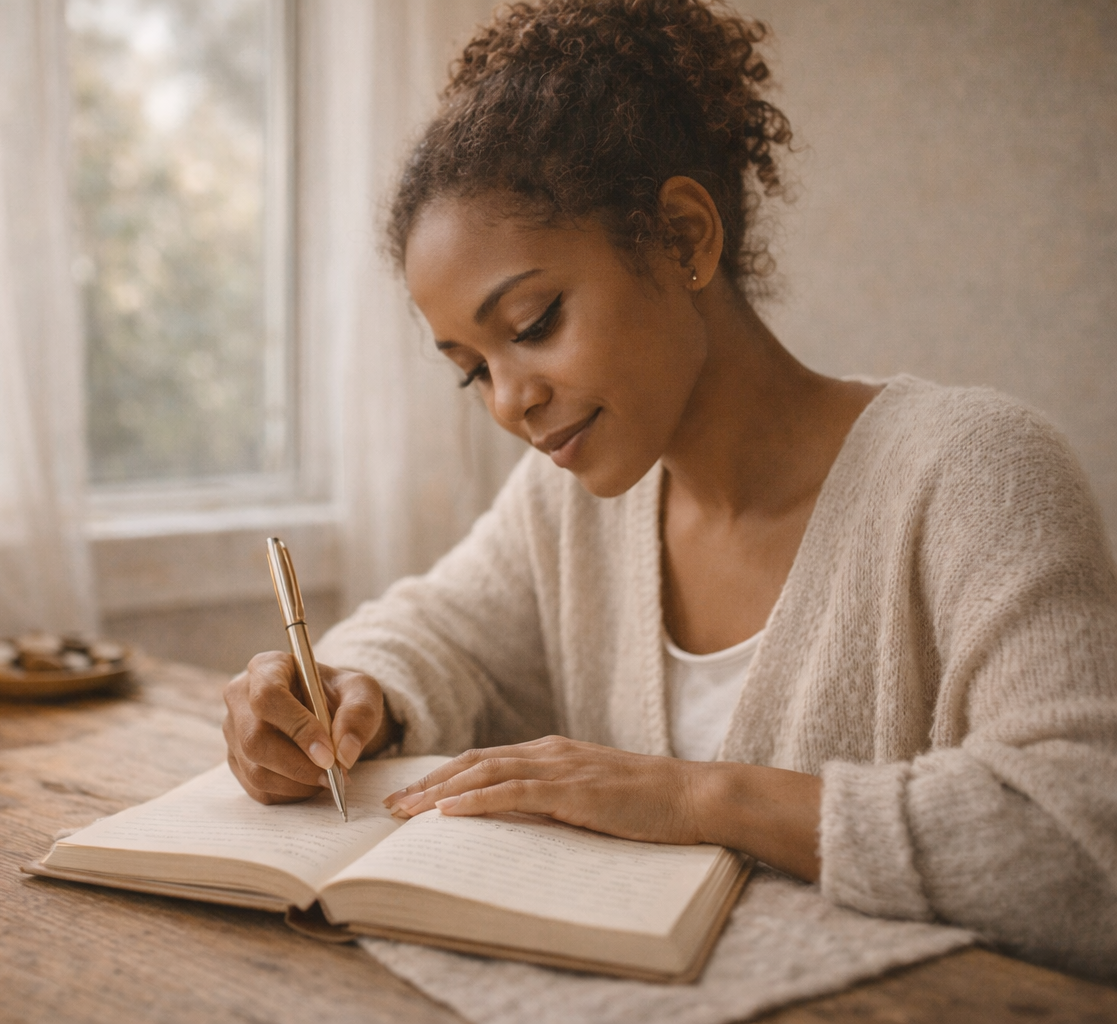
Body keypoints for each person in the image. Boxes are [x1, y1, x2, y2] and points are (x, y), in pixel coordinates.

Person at [222, 0, 1117, 978]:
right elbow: (434, 633)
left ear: (686, 237)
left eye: (532, 321)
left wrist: (700, 798)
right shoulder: (566, 503)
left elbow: (1083, 844)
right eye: (471, 368)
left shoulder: (978, 472)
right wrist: (351, 690)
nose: (510, 400)